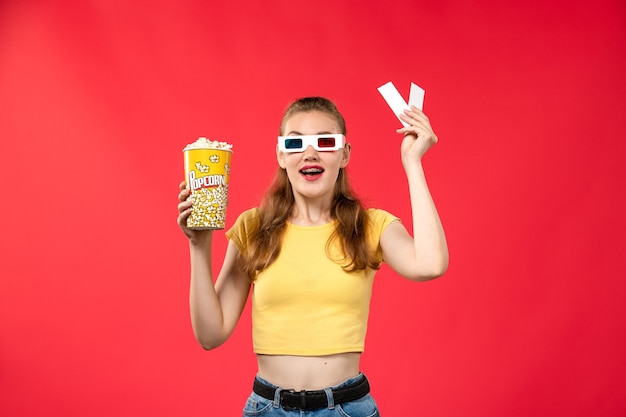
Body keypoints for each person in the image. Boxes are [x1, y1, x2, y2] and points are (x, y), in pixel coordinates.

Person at [177, 96, 448, 416]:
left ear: (344, 154)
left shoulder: (370, 225)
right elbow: (210, 334)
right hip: (269, 409)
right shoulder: (253, 228)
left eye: (325, 141)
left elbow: (430, 265)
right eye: (295, 142)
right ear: (280, 154)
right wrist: (199, 245)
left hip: (348, 409)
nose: (310, 152)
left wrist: (413, 163)